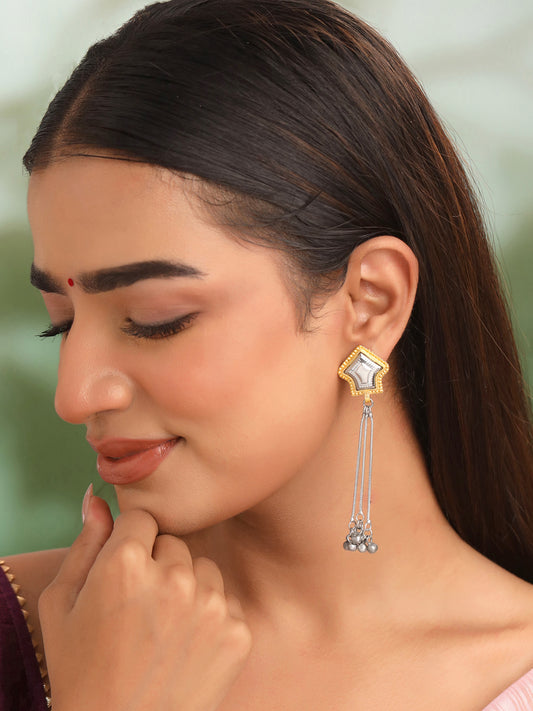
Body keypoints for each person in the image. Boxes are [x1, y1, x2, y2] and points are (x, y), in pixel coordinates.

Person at [1, 0, 532, 708]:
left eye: (155, 320)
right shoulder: (19, 633)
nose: (74, 395)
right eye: (62, 324)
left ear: (370, 301)